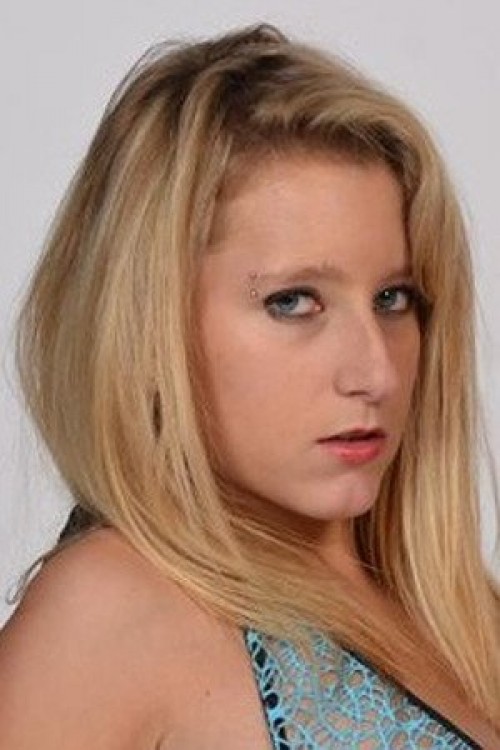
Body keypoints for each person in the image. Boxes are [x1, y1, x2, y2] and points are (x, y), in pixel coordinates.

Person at [0, 23, 499, 749]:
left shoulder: (459, 615)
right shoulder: (110, 610)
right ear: (152, 321)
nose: (377, 373)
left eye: (394, 298)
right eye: (293, 302)